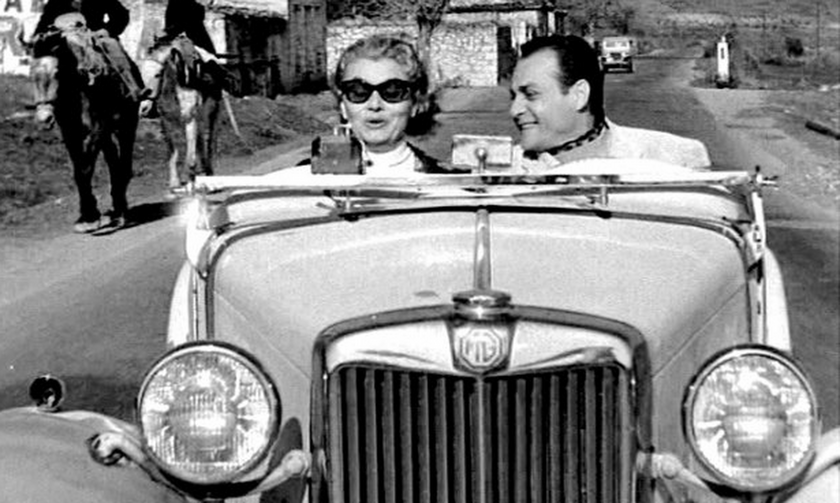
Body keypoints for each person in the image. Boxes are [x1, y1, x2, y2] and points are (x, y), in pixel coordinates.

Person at [509, 34, 711, 172]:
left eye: (531, 94)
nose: (514, 110)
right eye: (513, 96)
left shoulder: (676, 158)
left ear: (579, 95)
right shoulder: (502, 171)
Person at [327, 34, 447, 175]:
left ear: (415, 104)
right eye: (359, 92)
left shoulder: (448, 181)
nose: (375, 105)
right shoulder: (307, 179)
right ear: (343, 105)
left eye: (392, 92)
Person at [30, 0, 144, 100]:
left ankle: (136, 90)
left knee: (115, 49)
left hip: (96, 38)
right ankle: (45, 103)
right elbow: (43, 24)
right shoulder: (56, 1)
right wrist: (44, 35)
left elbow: (121, 15)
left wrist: (107, 30)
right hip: (64, 42)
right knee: (48, 64)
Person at [139, 0, 224, 117]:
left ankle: (213, 91)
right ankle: (150, 99)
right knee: (154, 63)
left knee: (209, 64)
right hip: (179, 35)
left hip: (190, 36)